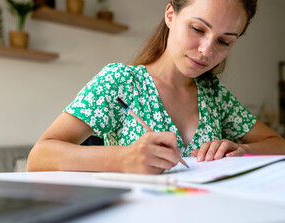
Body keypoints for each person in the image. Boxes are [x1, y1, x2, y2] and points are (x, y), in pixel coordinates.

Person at [28, 0, 285, 174]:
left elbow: (277, 144)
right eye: (197, 28)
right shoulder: (120, 82)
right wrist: (122, 158)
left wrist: (244, 149)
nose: (206, 50)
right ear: (170, 15)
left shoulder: (215, 94)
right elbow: (39, 157)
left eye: (224, 42)